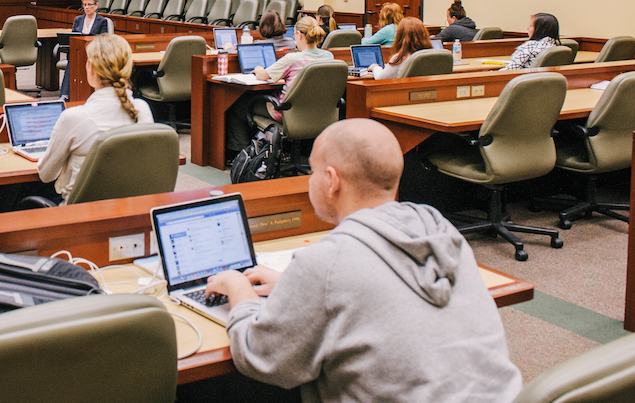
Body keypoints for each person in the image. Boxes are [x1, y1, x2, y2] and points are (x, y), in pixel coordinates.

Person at [207, 119, 522, 403]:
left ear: (332, 181)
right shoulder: (437, 229)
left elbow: (262, 357)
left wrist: (238, 288)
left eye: (312, 172)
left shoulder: (327, 262)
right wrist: (293, 285)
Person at [38, 34, 154, 202]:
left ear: (90, 67)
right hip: (128, 211)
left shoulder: (74, 117)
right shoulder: (142, 110)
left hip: (80, 215)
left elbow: (46, 174)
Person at [225, 17, 333, 152]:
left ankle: (240, 153)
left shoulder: (293, 58)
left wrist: (259, 70)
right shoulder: (329, 57)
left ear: (299, 35)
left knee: (237, 107)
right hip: (320, 112)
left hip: (287, 112)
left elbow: (263, 76)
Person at [61, 0, 112, 99]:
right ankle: (64, 95)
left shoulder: (102, 21)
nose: (87, 7)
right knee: (73, 60)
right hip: (78, 52)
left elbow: (104, 40)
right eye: (84, 5)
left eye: (89, 4)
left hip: (95, 53)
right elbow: (73, 38)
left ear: (96, 5)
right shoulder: (78, 20)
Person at [364, 17, 430, 79]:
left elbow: (380, 78)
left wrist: (375, 67)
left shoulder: (400, 58)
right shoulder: (429, 56)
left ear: (400, 35)